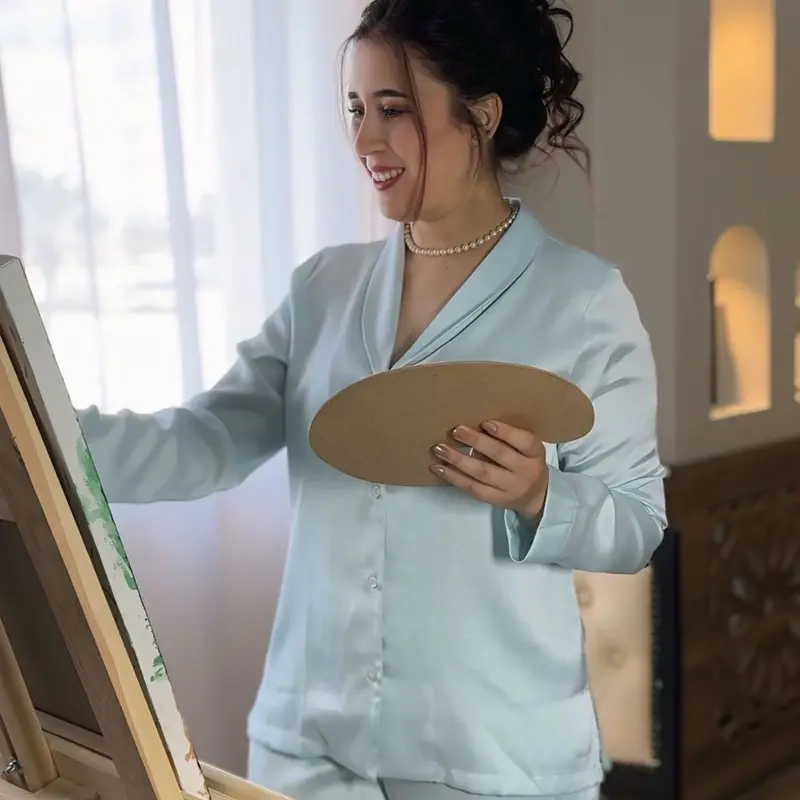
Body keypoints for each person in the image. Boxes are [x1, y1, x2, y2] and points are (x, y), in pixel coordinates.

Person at [78, 0, 667, 798]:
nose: (363, 141)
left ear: (482, 115)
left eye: (393, 110)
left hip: (493, 759)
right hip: (309, 749)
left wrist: (540, 495)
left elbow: (637, 523)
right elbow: (206, 440)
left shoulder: (583, 301)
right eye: (355, 110)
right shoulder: (324, 287)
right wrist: (39, 431)